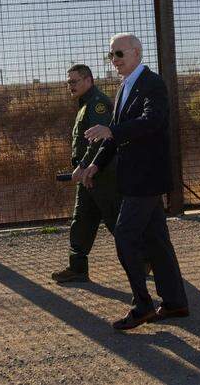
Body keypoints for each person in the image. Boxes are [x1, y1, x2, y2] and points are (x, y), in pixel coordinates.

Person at [81, 33, 188, 331]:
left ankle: (142, 306)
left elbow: (152, 121)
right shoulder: (124, 87)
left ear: (137, 53)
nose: (113, 60)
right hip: (135, 178)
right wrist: (95, 164)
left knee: (125, 236)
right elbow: (115, 133)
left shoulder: (152, 84)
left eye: (119, 54)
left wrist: (112, 131)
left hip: (146, 177)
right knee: (156, 241)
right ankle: (175, 302)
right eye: (111, 55)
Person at [51, 64, 121, 283]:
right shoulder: (86, 103)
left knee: (116, 220)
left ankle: (145, 258)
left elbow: (100, 140)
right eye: (68, 82)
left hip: (101, 174)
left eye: (74, 81)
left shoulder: (97, 104)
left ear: (88, 80)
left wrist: (82, 166)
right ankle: (78, 268)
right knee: (81, 220)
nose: (70, 86)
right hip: (88, 175)